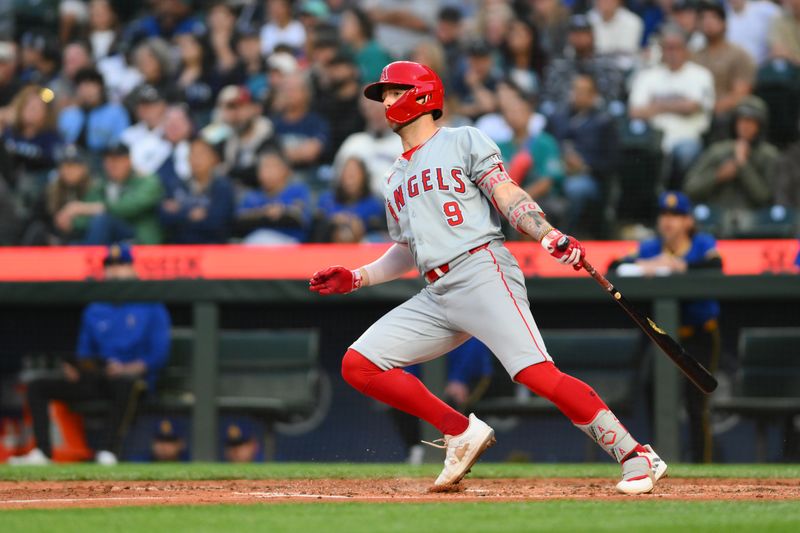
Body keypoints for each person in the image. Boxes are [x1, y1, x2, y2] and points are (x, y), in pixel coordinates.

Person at [309, 61, 667, 493]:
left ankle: (634, 453)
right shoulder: (394, 176)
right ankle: (460, 431)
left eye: (392, 90)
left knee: (536, 373)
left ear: (422, 95)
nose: (385, 101)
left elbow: (505, 192)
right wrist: (357, 277)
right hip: (436, 290)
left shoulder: (462, 139)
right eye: (382, 94)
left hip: (481, 268)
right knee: (359, 365)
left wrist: (547, 233)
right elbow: (407, 248)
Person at [9, 244, 171, 466]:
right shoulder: (95, 308)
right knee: (38, 386)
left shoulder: (151, 305)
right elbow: (84, 352)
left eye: (121, 265)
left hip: (132, 379)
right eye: (110, 266)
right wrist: (77, 367)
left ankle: (108, 451)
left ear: (133, 268)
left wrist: (125, 368)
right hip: (97, 378)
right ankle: (42, 452)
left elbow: (158, 355)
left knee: (127, 384)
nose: (115, 271)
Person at [610, 191, 722, 463]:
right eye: (664, 215)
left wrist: (679, 265)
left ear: (688, 221)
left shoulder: (701, 243)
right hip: (662, 339)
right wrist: (645, 264)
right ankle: (660, 459)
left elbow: (716, 264)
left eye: (676, 216)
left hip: (699, 334)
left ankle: (702, 464)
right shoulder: (650, 248)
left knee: (697, 404)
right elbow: (614, 265)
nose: (668, 221)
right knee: (653, 396)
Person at [629, 24, 715, 189]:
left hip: (687, 137)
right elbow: (635, 111)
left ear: (686, 49)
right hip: (652, 138)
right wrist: (678, 105)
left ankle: (680, 198)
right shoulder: (648, 76)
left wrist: (656, 105)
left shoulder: (700, 75)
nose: (672, 53)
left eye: (676, 48)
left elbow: (693, 106)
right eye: (667, 48)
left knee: (687, 153)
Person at [392, 337, 494, 465]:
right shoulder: (421, 331)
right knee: (400, 398)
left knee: (452, 400)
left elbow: (474, 349)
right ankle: (417, 449)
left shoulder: (465, 328)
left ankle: (454, 454)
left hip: (468, 379)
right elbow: (410, 360)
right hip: (428, 381)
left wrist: (459, 378)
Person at [684, 96, 777, 235]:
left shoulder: (768, 156)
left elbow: (766, 198)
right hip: (715, 219)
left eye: (751, 121)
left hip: (754, 223)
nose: (745, 125)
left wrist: (743, 165)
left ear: (760, 125)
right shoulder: (717, 151)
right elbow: (690, 188)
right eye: (741, 120)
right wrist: (718, 176)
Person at [548, 74, 618, 236]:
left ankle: (566, 235)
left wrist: (584, 165)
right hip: (556, 170)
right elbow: (545, 144)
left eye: (583, 91)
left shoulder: (604, 122)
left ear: (594, 95)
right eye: (575, 90)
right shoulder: (557, 118)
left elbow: (612, 161)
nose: (578, 94)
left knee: (576, 188)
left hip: (588, 176)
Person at [66, 143, 164, 245]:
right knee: (73, 246)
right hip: (107, 241)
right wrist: (73, 221)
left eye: (116, 160)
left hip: (139, 238)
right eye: (107, 160)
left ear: (128, 161)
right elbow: (82, 220)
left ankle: (92, 256)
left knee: (102, 220)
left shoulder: (146, 181)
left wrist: (95, 208)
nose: (111, 165)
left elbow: (129, 207)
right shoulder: (101, 184)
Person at [692, 0, 755, 140]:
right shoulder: (694, 56)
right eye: (703, 18)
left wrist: (710, 109)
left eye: (713, 17)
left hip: (724, 116)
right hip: (693, 113)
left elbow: (741, 94)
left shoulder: (739, 54)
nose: (707, 22)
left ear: (725, 23)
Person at [540, 15, 626, 113]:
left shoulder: (607, 64)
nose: (579, 37)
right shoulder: (559, 65)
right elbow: (548, 96)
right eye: (574, 33)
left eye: (583, 33)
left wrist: (591, 101)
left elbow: (615, 96)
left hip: (600, 117)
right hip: (564, 116)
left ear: (592, 36)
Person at [160, 136, 234, 244]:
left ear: (214, 159)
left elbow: (216, 222)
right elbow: (164, 217)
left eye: (201, 154)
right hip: (178, 248)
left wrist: (180, 211)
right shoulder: (176, 185)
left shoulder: (223, 187)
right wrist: (190, 214)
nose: (196, 159)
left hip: (212, 248)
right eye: (192, 154)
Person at [235, 150, 312, 245]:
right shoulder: (252, 196)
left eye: (271, 167)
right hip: (255, 243)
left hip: (290, 244)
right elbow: (239, 219)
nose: (266, 172)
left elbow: (300, 217)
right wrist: (263, 213)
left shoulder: (297, 190)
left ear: (285, 170)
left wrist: (283, 211)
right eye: (263, 167)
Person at [22, 145, 93, 245]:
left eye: (74, 166)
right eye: (66, 166)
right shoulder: (51, 191)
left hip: (82, 240)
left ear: (83, 168)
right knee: (36, 229)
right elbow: (36, 217)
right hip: (54, 240)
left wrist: (74, 223)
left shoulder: (93, 189)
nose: (69, 171)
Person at [333, 96, 403, 195]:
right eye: (372, 109)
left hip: (395, 202)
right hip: (360, 204)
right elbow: (337, 180)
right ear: (365, 111)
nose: (377, 114)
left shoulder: (402, 142)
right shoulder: (354, 142)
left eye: (381, 110)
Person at [58, 67, 131, 156]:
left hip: (106, 159)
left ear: (100, 87)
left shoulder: (116, 112)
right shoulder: (68, 114)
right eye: (81, 86)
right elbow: (61, 143)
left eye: (90, 85)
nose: (86, 91)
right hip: (72, 160)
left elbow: (120, 142)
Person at [316, 156, 385, 243]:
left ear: (364, 177)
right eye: (347, 173)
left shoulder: (374, 205)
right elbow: (316, 229)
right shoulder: (327, 200)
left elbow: (381, 234)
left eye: (354, 173)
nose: (350, 178)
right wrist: (332, 223)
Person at [339, 6, 393, 84]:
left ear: (361, 26)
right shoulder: (346, 50)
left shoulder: (374, 52)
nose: (342, 27)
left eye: (346, 23)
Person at [726, 0, 781, 65]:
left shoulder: (764, 8)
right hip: (739, 68)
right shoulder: (724, 19)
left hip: (765, 64)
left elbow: (784, 22)